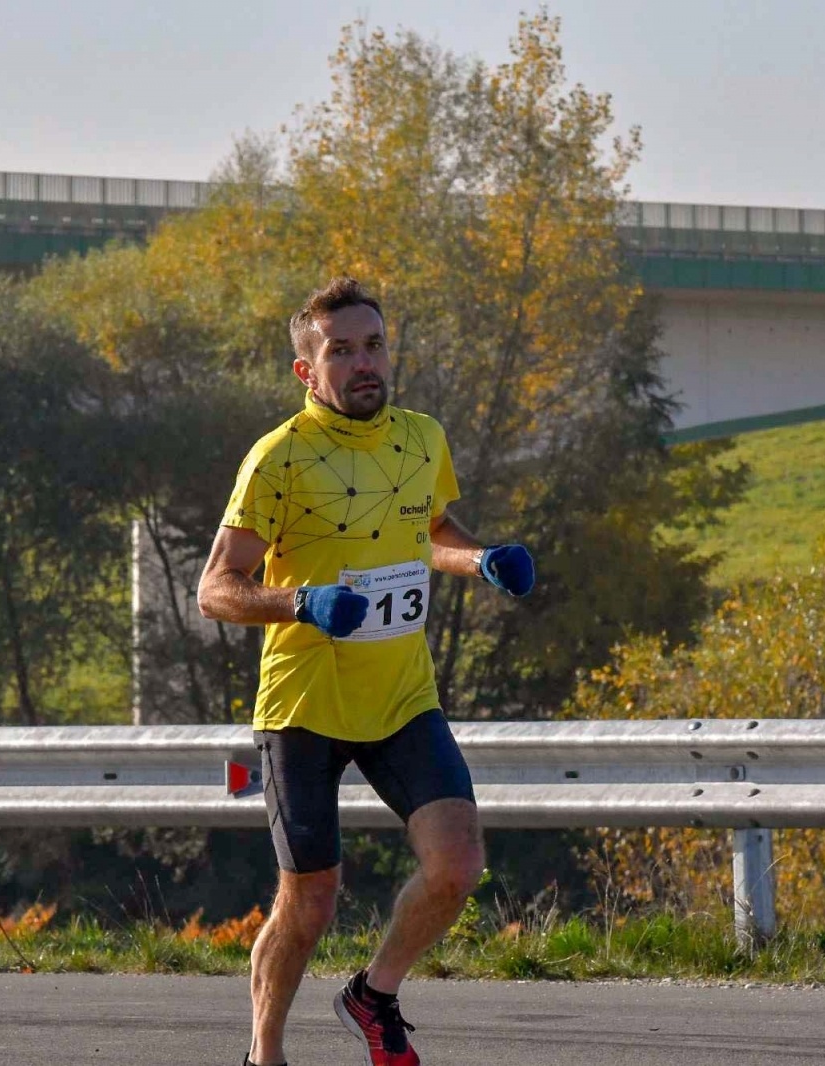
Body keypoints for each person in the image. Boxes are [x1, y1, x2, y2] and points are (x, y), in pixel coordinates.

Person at [197, 277, 536, 1066]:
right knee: (310, 900)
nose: (363, 364)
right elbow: (215, 589)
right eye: (341, 351)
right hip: (306, 704)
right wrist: (303, 603)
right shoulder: (279, 457)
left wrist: (482, 559)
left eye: (373, 346)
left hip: (401, 696)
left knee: (458, 865)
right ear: (307, 371)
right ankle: (264, 1055)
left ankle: (372, 995)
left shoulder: (422, 439)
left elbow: (430, 528)